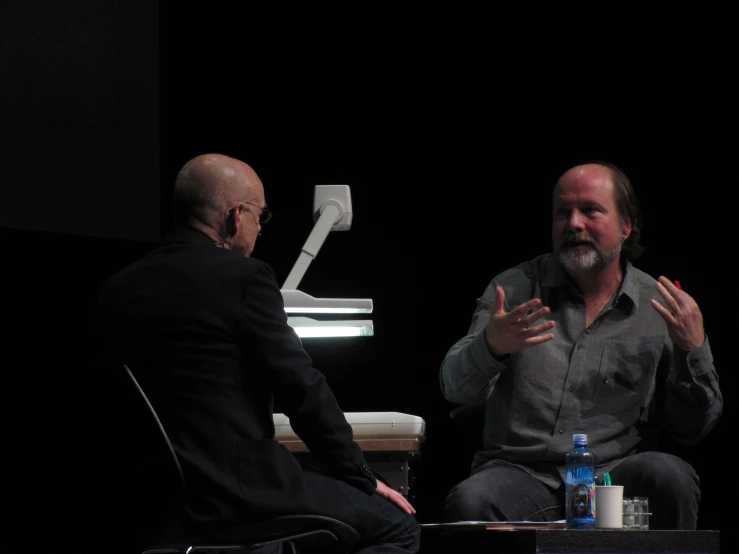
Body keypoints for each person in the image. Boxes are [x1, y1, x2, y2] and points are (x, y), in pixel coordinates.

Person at [92, 153, 420, 553]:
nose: (259, 231)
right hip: (235, 493)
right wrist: (361, 475)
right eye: (260, 218)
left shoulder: (116, 290)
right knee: (399, 526)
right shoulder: (244, 277)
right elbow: (301, 390)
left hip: (149, 504)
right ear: (235, 216)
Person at [439, 160, 721, 530]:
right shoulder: (515, 290)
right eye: (563, 213)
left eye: (590, 211)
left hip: (613, 475)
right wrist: (491, 346)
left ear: (626, 226)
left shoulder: (660, 306)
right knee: (471, 501)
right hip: (522, 473)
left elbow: (694, 428)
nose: (573, 224)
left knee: (669, 476)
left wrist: (691, 350)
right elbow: (453, 388)